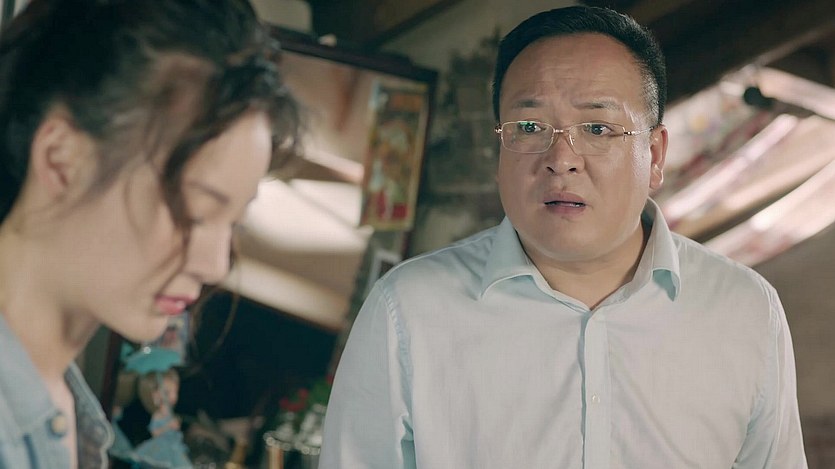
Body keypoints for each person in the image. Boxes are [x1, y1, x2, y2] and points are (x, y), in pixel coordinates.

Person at [320, 5, 808, 468]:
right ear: (499, 149)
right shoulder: (407, 310)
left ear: (655, 155)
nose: (562, 159)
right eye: (530, 126)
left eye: (597, 128)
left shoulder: (745, 309)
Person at [0, 1, 299, 468]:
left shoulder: (64, 410)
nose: (215, 265)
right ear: (61, 161)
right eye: (194, 212)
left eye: (234, 223)